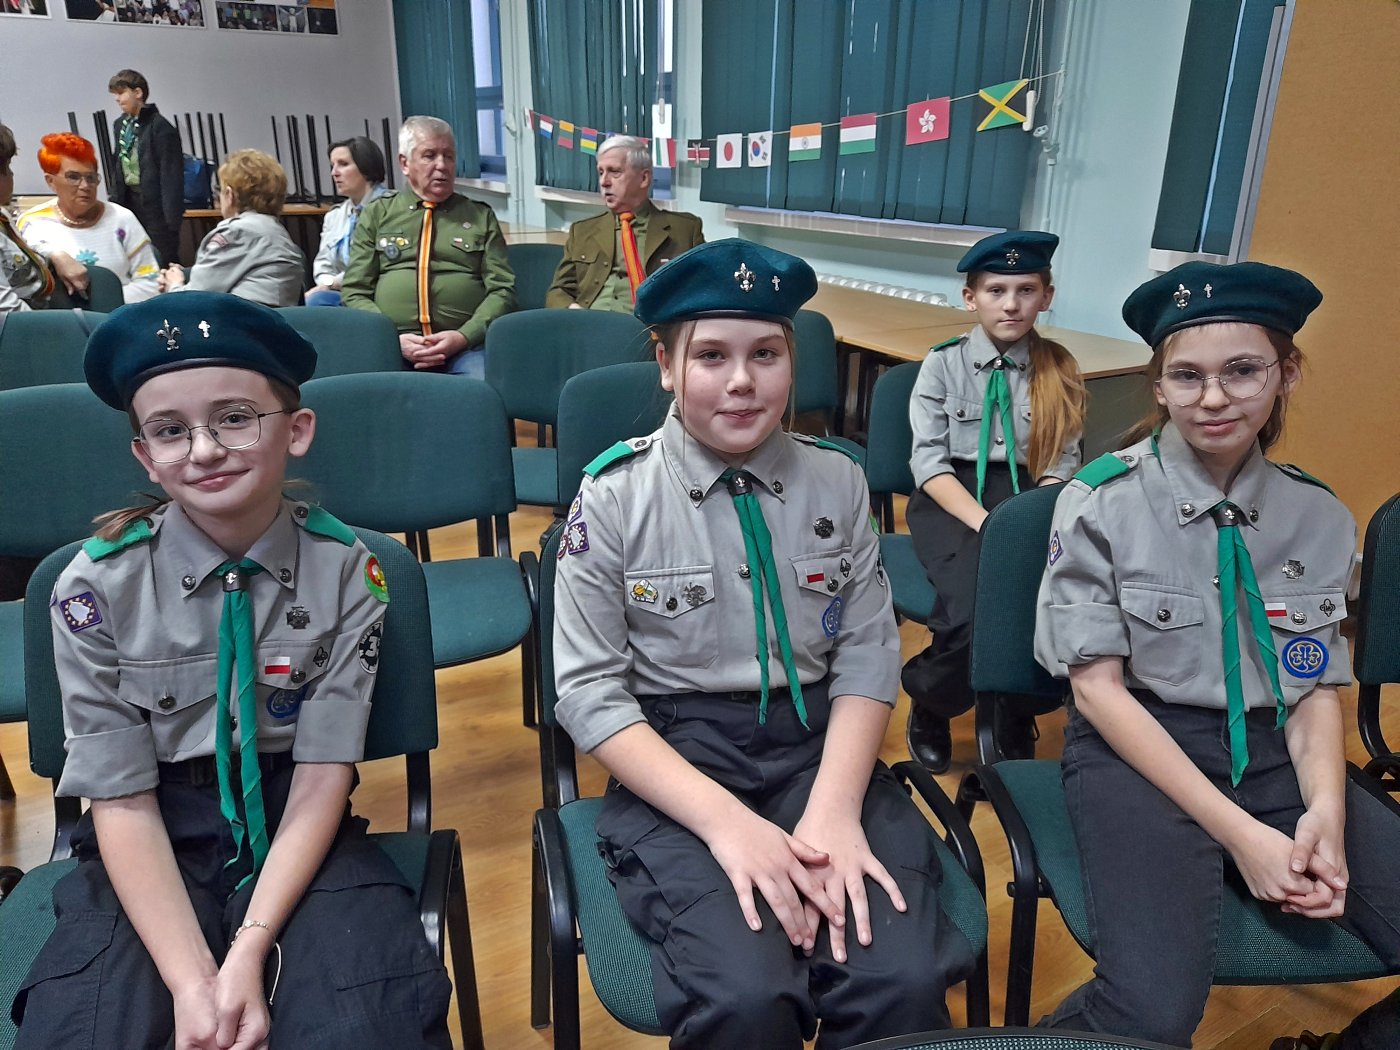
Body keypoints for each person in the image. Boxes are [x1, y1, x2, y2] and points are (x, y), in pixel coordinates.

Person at [553, 239, 975, 1050]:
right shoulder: (612, 497)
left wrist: (834, 810)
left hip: (821, 749)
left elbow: (867, 652)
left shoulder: (838, 479)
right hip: (680, 758)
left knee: (899, 976)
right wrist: (728, 825)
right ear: (667, 365)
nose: (742, 381)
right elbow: (589, 693)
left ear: (791, 361)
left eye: (766, 354)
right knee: (746, 995)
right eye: (712, 355)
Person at [10, 291, 453, 1049]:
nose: (204, 450)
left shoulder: (348, 571)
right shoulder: (96, 586)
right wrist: (193, 983)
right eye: (170, 430)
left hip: (297, 823)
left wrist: (248, 947)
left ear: (297, 429)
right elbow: (119, 800)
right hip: (150, 829)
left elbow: (323, 775)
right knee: (94, 1027)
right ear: (145, 456)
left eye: (235, 418)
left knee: (365, 1022)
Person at [1035, 261, 1400, 1048]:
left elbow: (1310, 688)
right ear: (1159, 386)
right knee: (1150, 1014)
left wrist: (1326, 813)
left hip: (1272, 748)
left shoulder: (1317, 514)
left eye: (1242, 371)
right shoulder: (1100, 501)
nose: (1212, 398)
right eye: (1187, 376)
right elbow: (1097, 693)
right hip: (1137, 747)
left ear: (1286, 373)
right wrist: (1244, 836)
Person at [902, 231, 1086, 772]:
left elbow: (1062, 462)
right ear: (970, 298)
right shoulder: (942, 364)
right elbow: (929, 465)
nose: (1011, 304)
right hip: (953, 498)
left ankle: (1013, 707)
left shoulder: (1059, 368)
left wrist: (1032, 519)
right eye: (996, 290)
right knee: (971, 614)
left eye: (1026, 290)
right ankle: (933, 699)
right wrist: (989, 523)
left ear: (1046, 296)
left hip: (1030, 495)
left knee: (1043, 602)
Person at [342, 116, 515, 379]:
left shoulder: (480, 216)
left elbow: (503, 290)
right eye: (429, 155)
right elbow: (355, 290)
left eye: (449, 156)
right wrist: (390, 337)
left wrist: (464, 336)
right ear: (404, 163)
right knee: (368, 391)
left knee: (481, 391)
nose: (442, 165)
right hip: (393, 345)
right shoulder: (379, 213)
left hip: (464, 347)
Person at [545, 134, 704, 312]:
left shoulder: (684, 230)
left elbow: (703, 291)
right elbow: (558, 291)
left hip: (648, 325)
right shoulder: (582, 231)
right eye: (600, 172)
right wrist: (575, 311)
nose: (604, 182)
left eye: (615, 172)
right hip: (590, 322)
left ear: (644, 178)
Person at [17, 132, 160, 304]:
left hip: (122, 312)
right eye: (73, 177)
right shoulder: (33, 223)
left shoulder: (122, 218)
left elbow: (151, 282)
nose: (85, 186)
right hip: (61, 317)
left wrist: (104, 304)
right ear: (50, 181)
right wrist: (56, 255)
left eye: (91, 177)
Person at [159, 149, 304, 308]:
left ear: (230, 195)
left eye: (219, 190)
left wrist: (173, 284)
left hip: (239, 322)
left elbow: (195, 301)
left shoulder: (236, 233)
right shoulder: (277, 232)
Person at [107, 68, 185, 268]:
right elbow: (118, 163)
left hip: (155, 206)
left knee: (162, 257)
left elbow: (171, 174)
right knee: (132, 256)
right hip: (129, 202)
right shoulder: (120, 125)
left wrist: (172, 218)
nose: (117, 99)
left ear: (138, 93)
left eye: (121, 92)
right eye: (115, 94)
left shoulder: (160, 127)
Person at [305, 137, 387, 307]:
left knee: (316, 301)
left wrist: (332, 284)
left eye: (343, 164)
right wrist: (327, 284)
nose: (334, 173)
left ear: (366, 167)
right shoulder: (334, 215)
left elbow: (374, 267)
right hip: (341, 293)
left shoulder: (390, 208)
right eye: (332, 165)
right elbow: (323, 265)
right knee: (313, 303)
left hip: (377, 292)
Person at [0, 123, 56, 312]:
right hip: (24, 322)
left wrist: (56, 255)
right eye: (7, 167)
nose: (12, 173)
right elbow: (8, 311)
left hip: (41, 306)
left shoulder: (3, 217)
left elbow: (26, 251)